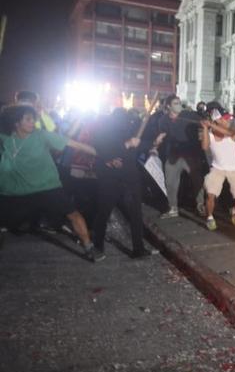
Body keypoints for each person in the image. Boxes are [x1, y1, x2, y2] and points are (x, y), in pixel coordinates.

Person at [0, 104, 97, 260]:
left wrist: (105, 154)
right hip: (18, 191)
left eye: (34, 119)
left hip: (48, 187)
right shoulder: (6, 139)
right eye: (28, 119)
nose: (33, 123)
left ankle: (88, 246)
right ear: (16, 122)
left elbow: (75, 144)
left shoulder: (41, 135)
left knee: (73, 214)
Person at [91, 108, 153, 260]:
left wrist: (150, 143)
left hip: (129, 177)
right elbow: (101, 149)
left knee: (135, 213)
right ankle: (97, 246)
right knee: (104, 211)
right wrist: (123, 147)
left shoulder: (130, 128)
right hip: (111, 178)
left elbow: (140, 145)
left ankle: (138, 248)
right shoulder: (104, 132)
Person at [153, 95, 206, 218]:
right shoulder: (163, 120)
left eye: (179, 102)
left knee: (197, 180)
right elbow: (162, 134)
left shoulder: (189, 115)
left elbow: (202, 125)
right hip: (173, 155)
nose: (179, 105)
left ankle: (200, 204)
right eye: (176, 103)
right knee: (170, 182)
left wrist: (203, 127)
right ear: (169, 106)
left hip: (191, 155)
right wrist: (157, 142)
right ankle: (173, 208)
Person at [200, 107, 235, 231]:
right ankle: (209, 217)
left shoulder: (232, 131)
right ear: (217, 120)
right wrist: (205, 127)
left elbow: (230, 133)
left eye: (228, 119)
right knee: (210, 194)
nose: (228, 121)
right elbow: (204, 147)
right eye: (224, 120)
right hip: (217, 167)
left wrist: (210, 125)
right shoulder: (210, 133)